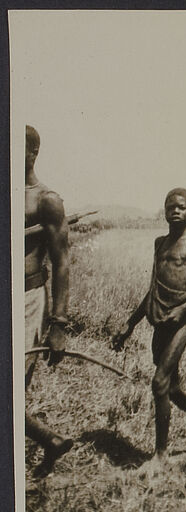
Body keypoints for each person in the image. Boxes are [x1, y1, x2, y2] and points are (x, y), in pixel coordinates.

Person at [112, 188, 186, 465]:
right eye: (169, 207)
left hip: (182, 322)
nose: (175, 211)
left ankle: (159, 456)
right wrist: (131, 323)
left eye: (181, 207)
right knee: (171, 387)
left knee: (159, 383)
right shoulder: (160, 243)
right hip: (159, 321)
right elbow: (152, 291)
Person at [24, 125, 74, 477]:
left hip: (27, 298)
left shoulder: (45, 200)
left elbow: (62, 263)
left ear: (32, 154)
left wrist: (59, 324)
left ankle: (49, 440)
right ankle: (49, 441)